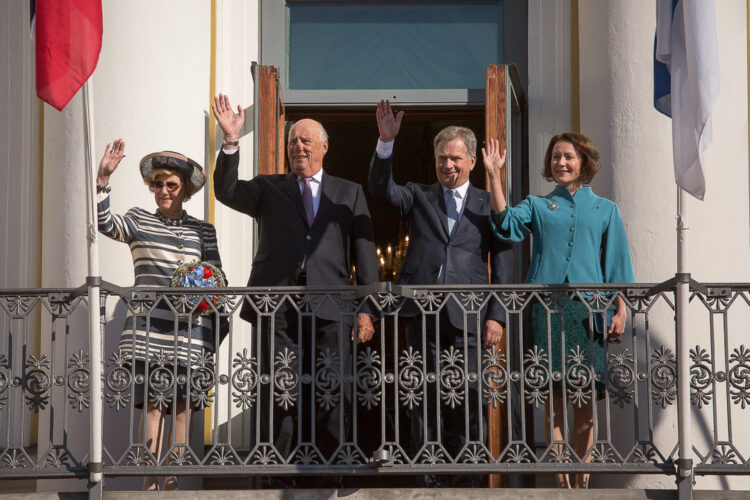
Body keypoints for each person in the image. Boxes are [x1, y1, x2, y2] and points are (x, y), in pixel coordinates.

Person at [211, 94, 378, 466]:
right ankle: (278, 471)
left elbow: (365, 257)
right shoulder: (270, 188)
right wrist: (231, 141)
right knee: (279, 389)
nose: (297, 147)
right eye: (292, 142)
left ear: (324, 147)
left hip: (332, 305)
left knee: (330, 387)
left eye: (305, 141)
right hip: (278, 307)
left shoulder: (348, 193)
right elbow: (226, 191)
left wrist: (367, 310)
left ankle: (330, 467)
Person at [368, 100, 513, 487]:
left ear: (469, 160)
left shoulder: (487, 202)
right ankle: (426, 477)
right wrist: (385, 144)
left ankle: (469, 478)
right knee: (423, 395)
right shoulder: (418, 195)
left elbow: (502, 261)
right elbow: (382, 190)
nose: (447, 166)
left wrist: (496, 315)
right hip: (422, 312)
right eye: (441, 159)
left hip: (469, 315)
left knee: (469, 395)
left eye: (454, 159)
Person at [484, 132, 635, 489]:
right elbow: (506, 225)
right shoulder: (537, 204)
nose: (561, 163)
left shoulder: (605, 209)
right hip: (545, 309)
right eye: (555, 157)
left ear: (583, 161)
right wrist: (493, 176)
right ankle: (562, 483)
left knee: (584, 399)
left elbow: (617, 263)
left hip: (587, 310)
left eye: (568, 156)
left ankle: (583, 480)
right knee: (553, 397)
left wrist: (621, 308)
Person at [96, 139, 223, 491]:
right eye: (158, 184)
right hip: (150, 331)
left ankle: (173, 482)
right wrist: (103, 179)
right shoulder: (138, 220)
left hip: (190, 331)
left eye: (171, 184)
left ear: (184, 190)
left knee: (183, 407)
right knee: (154, 406)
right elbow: (104, 223)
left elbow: (216, 279)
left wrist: (207, 309)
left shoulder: (203, 230)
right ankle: (149, 484)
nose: (163, 190)